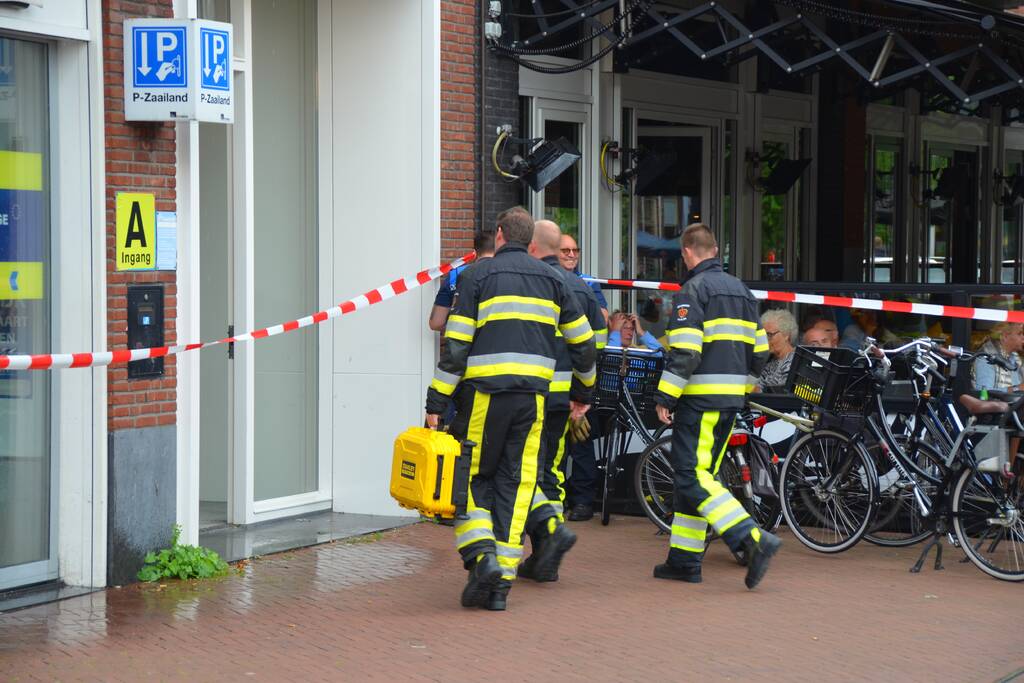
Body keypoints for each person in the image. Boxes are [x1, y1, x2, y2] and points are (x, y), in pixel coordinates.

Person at [424, 206, 596, 612]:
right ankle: (500, 584)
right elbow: (584, 343)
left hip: (486, 398)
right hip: (533, 402)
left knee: (472, 481)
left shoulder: (477, 276)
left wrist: (436, 402)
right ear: (530, 239)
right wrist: (583, 393)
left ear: (499, 234)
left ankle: (481, 558)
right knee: (515, 486)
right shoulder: (555, 280)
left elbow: (457, 347)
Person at [653, 223, 780, 589]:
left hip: (700, 400)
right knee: (700, 478)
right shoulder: (742, 291)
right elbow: (760, 351)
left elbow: (686, 353)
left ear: (687, 252)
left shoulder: (692, 291)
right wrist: (740, 382)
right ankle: (684, 560)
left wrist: (666, 396)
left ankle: (752, 539)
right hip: (729, 401)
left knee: (691, 476)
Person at [519, 219, 606, 583]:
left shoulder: (532, 282)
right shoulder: (580, 288)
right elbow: (596, 342)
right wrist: (581, 393)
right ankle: (546, 558)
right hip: (563, 399)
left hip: (529, 392)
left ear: (534, 247)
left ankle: (545, 542)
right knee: (552, 472)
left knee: (523, 471)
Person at [428, 226, 496, 332]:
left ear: (475, 252)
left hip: (463, 345)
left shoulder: (455, 274)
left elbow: (436, 323)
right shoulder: (506, 274)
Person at [558, 233, 610, 323]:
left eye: (575, 250)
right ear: (554, 252)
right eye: (566, 250)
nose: (571, 255)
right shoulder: (547, 277)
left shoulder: (590, 281)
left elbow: (603, 318)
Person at [972, 322, 1024, 393]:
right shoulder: (986, 358)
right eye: (1019, 334)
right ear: (1005, 336)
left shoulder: (1015, 358)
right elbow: (984, 392)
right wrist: (1017, 389)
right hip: (995, 403)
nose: (1023, 337)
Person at [755, 309, 798, 392]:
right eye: (763, 335)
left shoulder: (794, 361)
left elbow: (781, 391)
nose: (765, 339)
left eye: (769, 335)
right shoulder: (770, 362)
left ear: (786, 335)